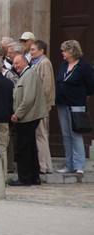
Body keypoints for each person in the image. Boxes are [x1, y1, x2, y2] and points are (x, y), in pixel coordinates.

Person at [55, 40, 94, 174]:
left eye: (64, 51)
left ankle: (79, 165)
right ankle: (69, 164)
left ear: (71, 51)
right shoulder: (63, 65)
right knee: (66, 135)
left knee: (76, 134)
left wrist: (83, 96)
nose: (62, 53)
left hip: (76, 104)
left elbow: (91, 86)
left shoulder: (83, 67)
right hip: (62, 103)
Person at [9, 54, 48, 186]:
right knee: (30, 147)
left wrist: (17, 114)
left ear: (25, 62)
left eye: (17, 63)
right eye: (14, 64)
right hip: (27, 117)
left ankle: (24, 178)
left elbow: (28, 99)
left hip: (28, 117)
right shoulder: (25, 75)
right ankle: (33, 176)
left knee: (23, 148)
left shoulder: (29, 75)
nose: (15, 66)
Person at [30, 40, 55, 174]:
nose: (31, 52)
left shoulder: (44, 63)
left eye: (33, 49)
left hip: (41, 106)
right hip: (38, 105)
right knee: (40, 134)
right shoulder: (36, 63)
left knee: (41, 134)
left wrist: (41, 104)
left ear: (41, 51)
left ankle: (43, 165)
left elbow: (46, 86)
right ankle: (45, 164)